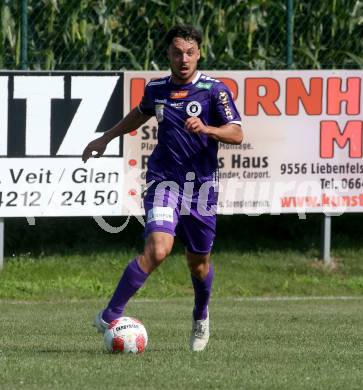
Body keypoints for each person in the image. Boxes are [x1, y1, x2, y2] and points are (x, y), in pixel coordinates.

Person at [82, 24, 243, 352]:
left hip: (201, 190)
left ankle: (200, 314)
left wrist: (209, 128)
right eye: (177, 52)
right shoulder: (157, 90)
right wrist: (105, 138)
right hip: (163, 182)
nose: (184, 59)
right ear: (167, 54)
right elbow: (137, 116)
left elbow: (237, 134)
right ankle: (110, 314)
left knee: (198, 265)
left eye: (190, 52)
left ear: (199, 53)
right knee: (157, 250)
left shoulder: (215, 91)